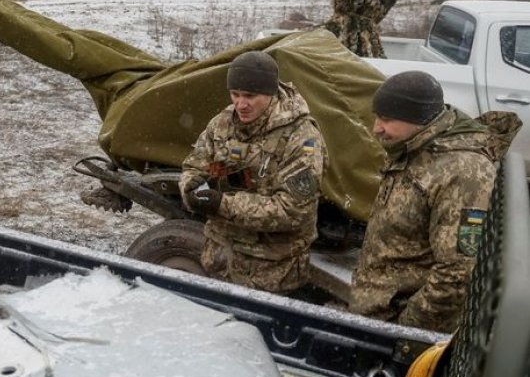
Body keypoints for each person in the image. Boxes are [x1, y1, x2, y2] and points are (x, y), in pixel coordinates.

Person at [349, 70, 521, 333]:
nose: (377, 128)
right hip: (376, 314)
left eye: (386, 119)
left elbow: (457, 275)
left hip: (401, 329)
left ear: (419, 119)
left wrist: (407, 330)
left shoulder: (464, 173)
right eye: (376, 117)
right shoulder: (414, 147)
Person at [179, 51, 326, 294]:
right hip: (218, 261)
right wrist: (190, 189)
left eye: (250, 96)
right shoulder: (222, 123)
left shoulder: (301, 137)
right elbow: (193, 166)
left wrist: (221, 205)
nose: (240, 104)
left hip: (270, 274)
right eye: (234, 94)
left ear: (270, 93)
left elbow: (293, 210)